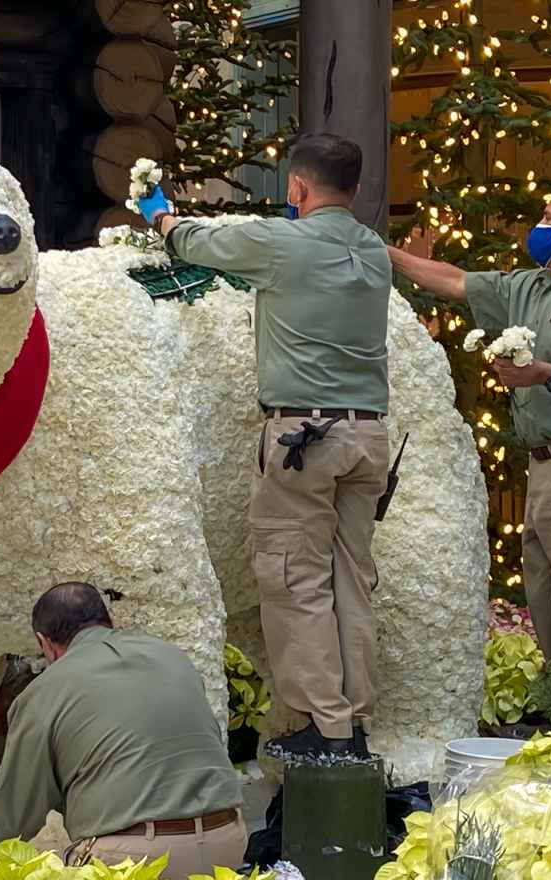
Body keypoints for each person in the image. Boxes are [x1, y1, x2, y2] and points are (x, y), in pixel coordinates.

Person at [138, 132, 392, 759]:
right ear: (355, 190)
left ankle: (322, 727)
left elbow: (197, 241)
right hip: (369, 438)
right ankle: (354, 719)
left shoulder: (283, 244)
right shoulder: (374, 251)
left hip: (304, 438)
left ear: (297, 187)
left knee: (293, 580)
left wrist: (160, 213)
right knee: (352, 580)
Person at [388, 178, 551, 664]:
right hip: (546, 466)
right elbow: (456, 281)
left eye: (549, 218)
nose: (539, 226)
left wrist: (546, 375)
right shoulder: (532, 284)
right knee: (547, 600)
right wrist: (388, 255)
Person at [0, 583, 245, 880]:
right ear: (109, 620)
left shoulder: (43, 690)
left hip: (132, 862)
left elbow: (11, 823)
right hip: (227, 840)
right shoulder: (172, 656)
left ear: (45, 642)